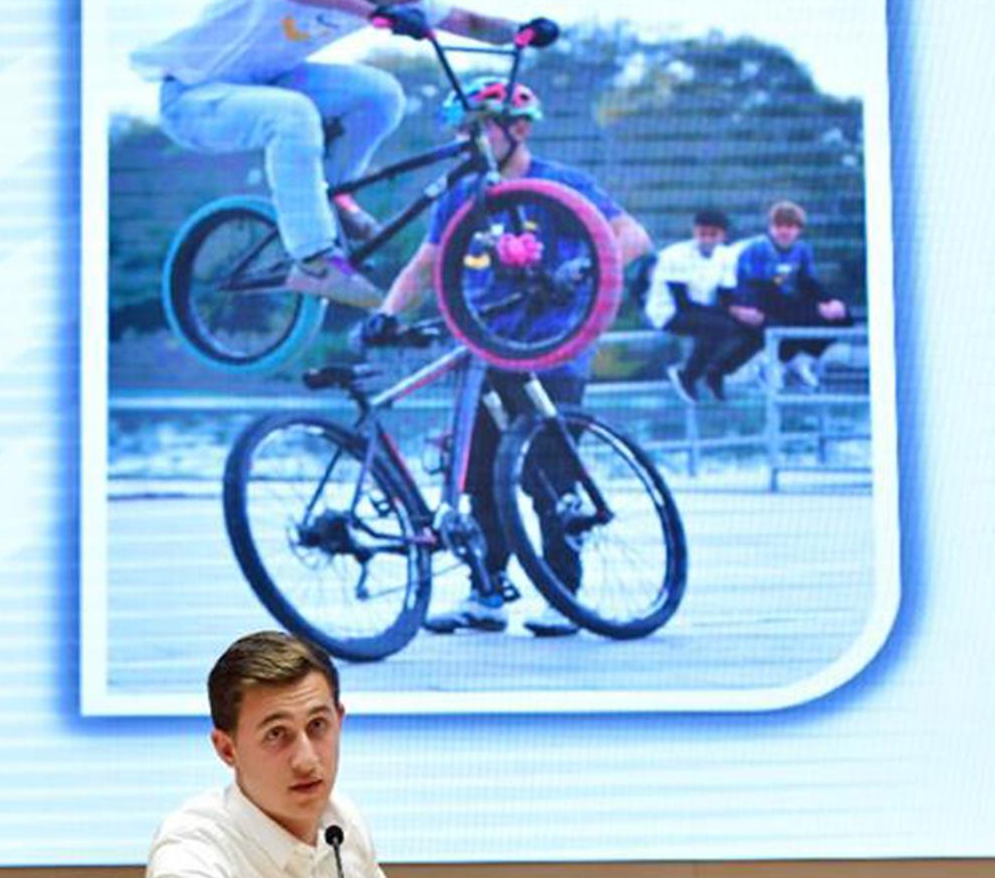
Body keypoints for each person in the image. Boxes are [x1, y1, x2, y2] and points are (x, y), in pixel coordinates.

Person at [132, 0, 551, 310]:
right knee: (293, 114)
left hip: (268, 82)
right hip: (193, 97)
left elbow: (467, 22)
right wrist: (375, 13)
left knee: (381, 94)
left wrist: (523, 31)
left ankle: (335, 196)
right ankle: (315, 260)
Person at [354, 75, 651, 636]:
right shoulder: (462, 195)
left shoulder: (561, 184)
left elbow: (632, 235)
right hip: (482, 345)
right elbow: (426, 264)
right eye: (464, 131)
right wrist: (386, 313)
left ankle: (563, 595)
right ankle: (486, 593)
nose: (470, 140)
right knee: (480, 475)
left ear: (519, 130)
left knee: (547, 476)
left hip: (553, 344)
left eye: (481, 128)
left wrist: (583, 267)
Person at [145, 632, 394, 878]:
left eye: (317, 725)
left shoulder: (344, 824)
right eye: (276, 734)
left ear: (339, 721)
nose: (306, 761)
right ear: (227, 749)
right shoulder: (194, 842)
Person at [722, 200, 853, 392]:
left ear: (799, 229)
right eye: (779, 226)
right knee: (798, 316)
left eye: (790, 226)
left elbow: (807, 282)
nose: (784, 231)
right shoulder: (757, 249)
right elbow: (760, 287)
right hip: (755, 302)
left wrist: (830, 302)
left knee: (842, 316)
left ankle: (800, 362)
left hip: (784, 299)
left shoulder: (802, 249)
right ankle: (767, 363)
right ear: (770, 227)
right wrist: (814, 307)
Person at [644, 209, 753, 403]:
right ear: (695, 232)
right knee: (719, 327)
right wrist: (728, 313)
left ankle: (717, 372)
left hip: (701, 309)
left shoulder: (726, 256)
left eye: (713, 235)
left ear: (723, 235)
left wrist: (742, 312)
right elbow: (682, 303)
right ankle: (687, 375)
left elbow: (725, 295)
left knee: (752, 329)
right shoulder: (675, 255)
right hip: (669, 312)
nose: (707, 239)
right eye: (703, 234)